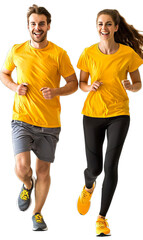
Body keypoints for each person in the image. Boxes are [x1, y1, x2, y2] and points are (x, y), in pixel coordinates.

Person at [0, 4, 78, 231]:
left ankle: (37, 213)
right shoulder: (17, 50)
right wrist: (15, 87)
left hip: (50, 124)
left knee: (44, 171)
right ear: (28, 26)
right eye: (33, 24)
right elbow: (4, 73)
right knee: (23, 167)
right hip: (22, 119)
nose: (37, 27)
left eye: (41, 24)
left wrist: (56, 91)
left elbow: (73, 83)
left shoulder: (59, 53)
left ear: (48, 26)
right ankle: (26, 183)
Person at [77, 9, 143, 236]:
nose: (103, 28)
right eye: (99, 24)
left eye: (107, 24)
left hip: (119, 114)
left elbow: (138, 83)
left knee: (110, 165)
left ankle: (102, 218)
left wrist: (131, 87)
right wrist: (89, 86)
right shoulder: (88, 53)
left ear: (116, 27)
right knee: (94, 168)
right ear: (97, 27)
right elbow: (81, 83)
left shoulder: (128, 54)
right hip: (92, 114)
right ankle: (88, 187)